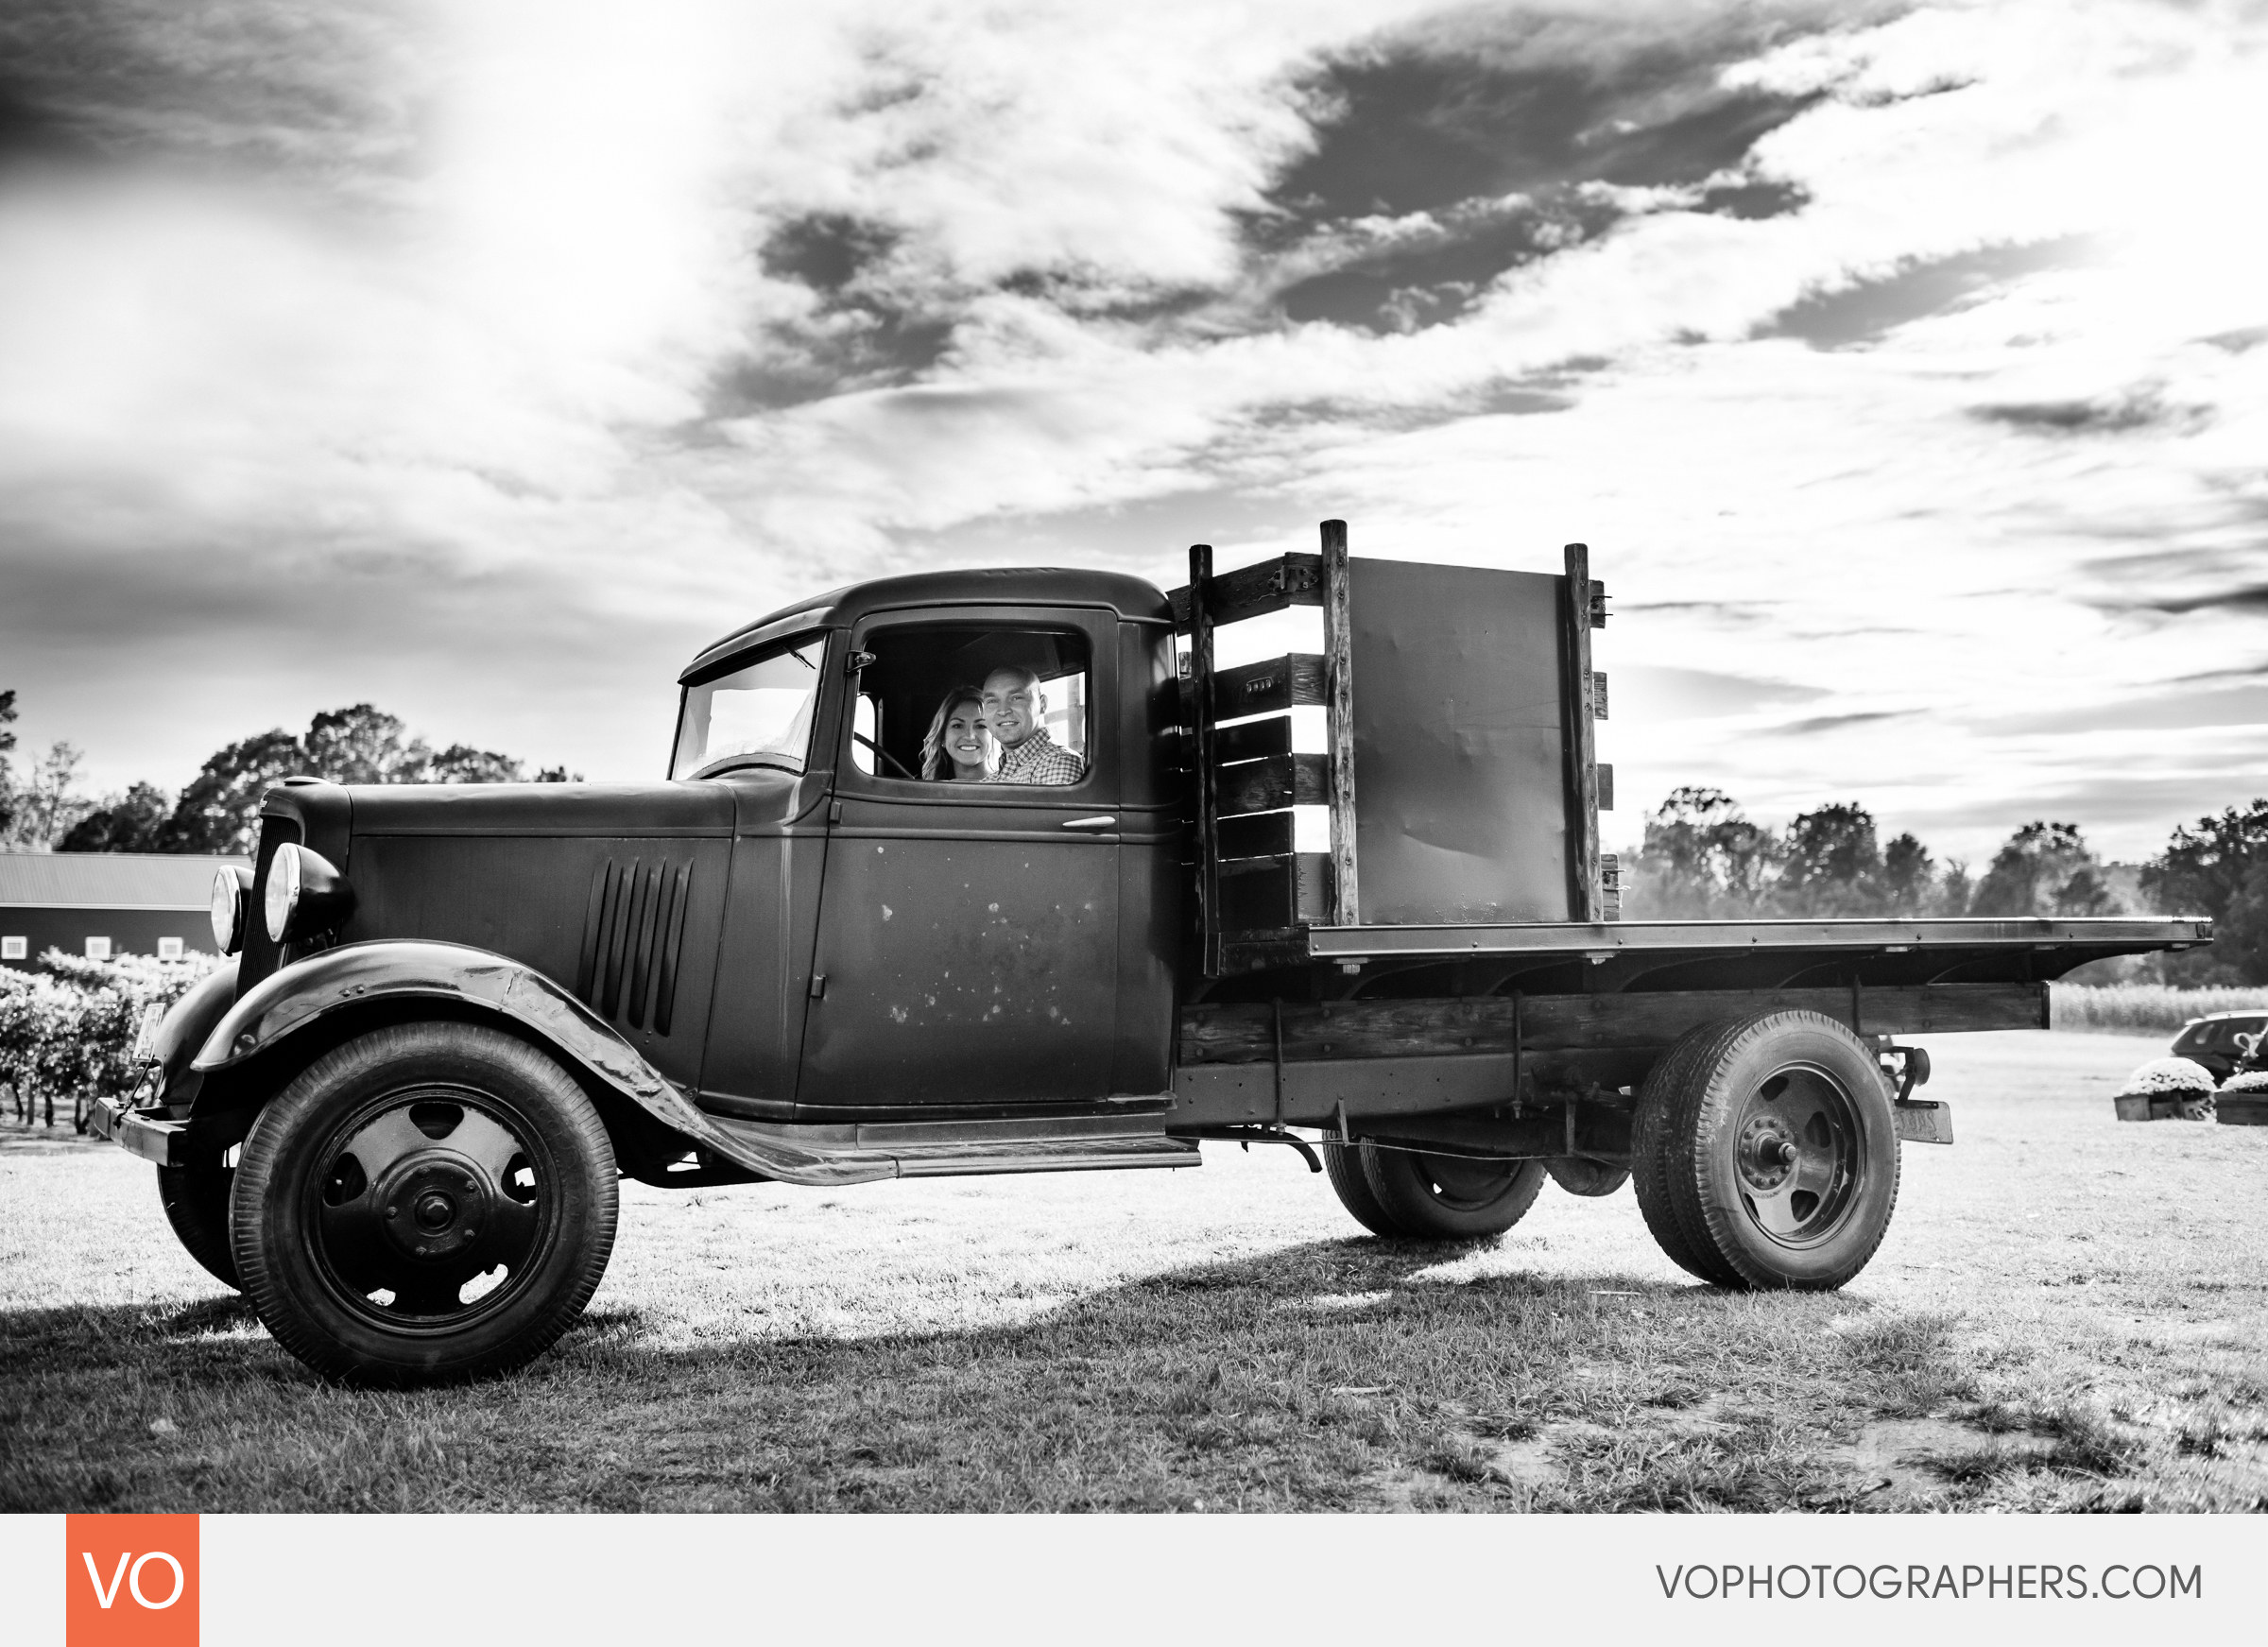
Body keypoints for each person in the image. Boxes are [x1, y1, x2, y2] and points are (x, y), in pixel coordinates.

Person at [980, 665, 1084, 784]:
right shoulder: (988, 781)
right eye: (992, 701)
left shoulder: (1058, 764)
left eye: (1016, 698)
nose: (1003, 711)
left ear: (1043, 704)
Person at [920, 687, 994, 781]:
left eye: (980, 726)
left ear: (994, 735)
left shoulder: (1012, 788)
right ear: (942, 737)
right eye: (958, 726)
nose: (969, 736)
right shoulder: (927, 792)